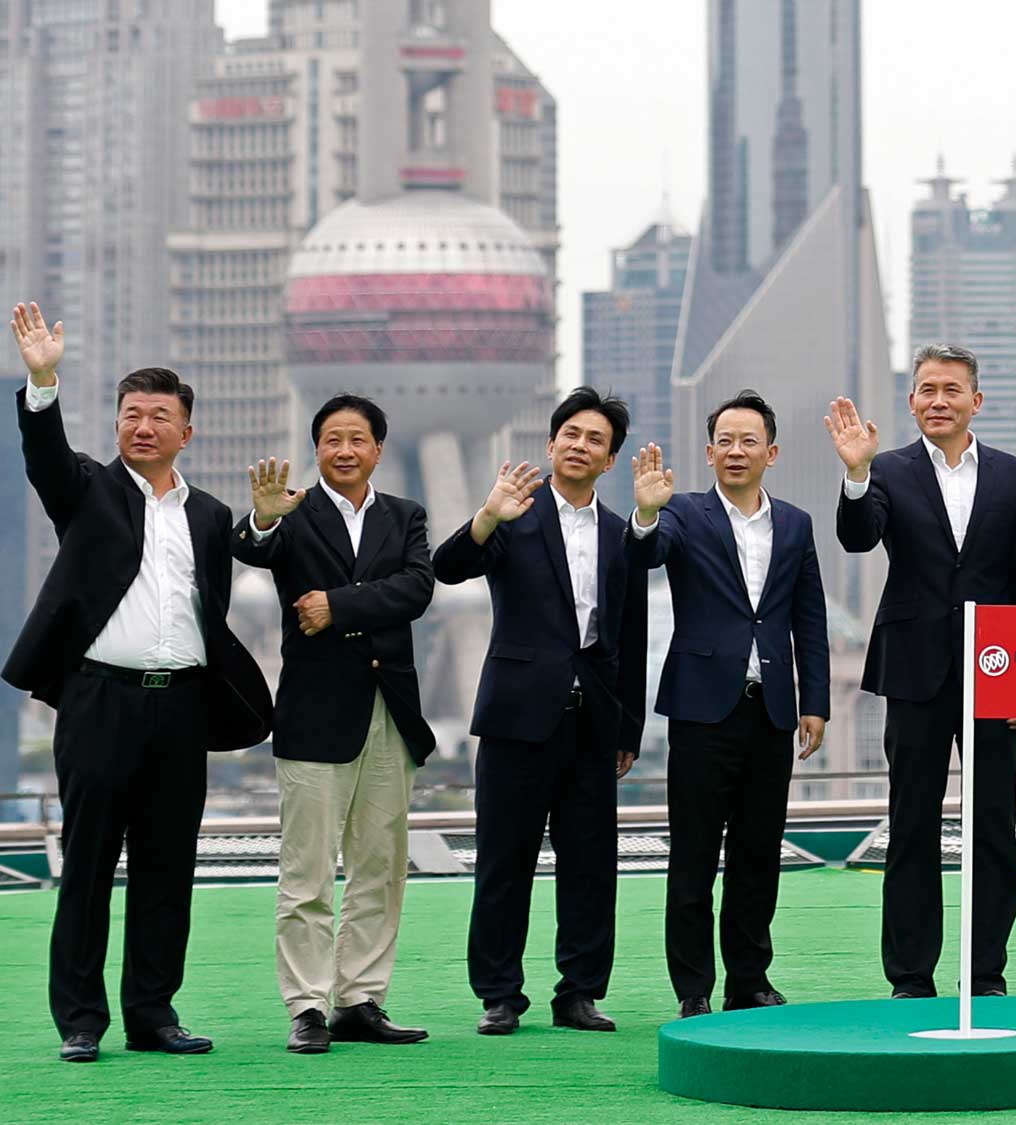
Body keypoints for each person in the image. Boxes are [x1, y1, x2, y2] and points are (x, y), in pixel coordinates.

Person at [6, 302, 272, 1063]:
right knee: (87, 863)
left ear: (188, 431)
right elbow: (44, 455)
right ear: (118, 424)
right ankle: (81, 1019)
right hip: (99, 700)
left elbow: (239, 575)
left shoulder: (212, 515)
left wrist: (264, 525)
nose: (143, 426)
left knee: (166, 866)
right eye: (131, 414)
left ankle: (152, 1013)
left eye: (160, 416)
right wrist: (44, 379)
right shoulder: (88, 489)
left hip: (182, 706)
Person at [825, 344, 1016, 999]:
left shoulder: (1014, 475)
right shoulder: (886, 470)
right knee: (912, 823)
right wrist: (856, 474)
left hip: (996, 670)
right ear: (912, 399)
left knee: (993, 827)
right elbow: (857, 536)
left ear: (976, 400)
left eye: (952, 390)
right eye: (926, 390)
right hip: (914, 667)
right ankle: (910, 974)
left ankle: (985, 972)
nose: (938, 401)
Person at [433, 387, 649, 1036]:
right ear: (551, 444)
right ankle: (499, 993)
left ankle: (579, 991)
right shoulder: (513, 517)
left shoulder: (621, 533)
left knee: (591, 863)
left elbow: (630, 634)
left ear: (610, 460)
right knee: (505, 858)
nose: (581, 445)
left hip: (592, 721)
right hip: (516, 716)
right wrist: (487, 516)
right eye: (571, 434)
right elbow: (448, 567)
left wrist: (628, 725)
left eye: (595, 439)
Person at [233, 394, 437, 1053]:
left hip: (389, 711)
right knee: (308, 870)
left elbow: (417, 589)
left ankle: (360, 998)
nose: (344, 449)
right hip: (316, 715)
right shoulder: (294, 512)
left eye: (357, 438)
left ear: (378, 449)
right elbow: (253, 547)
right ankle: (307, 1006)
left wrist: (337, 605)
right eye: (331, 438)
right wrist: (264, 521)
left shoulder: (405, 516)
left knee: (381, 867)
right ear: (316, 447)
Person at [629, 390, 830, 1019]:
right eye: (725, 441)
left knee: (757, 853)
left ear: (771, 452)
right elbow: (643, 559)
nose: (736, 451)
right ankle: (693, 988)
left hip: (770, 709)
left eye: (749, 441)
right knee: (692, 853)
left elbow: (810, 618)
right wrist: (644, 516)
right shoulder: (682, 513)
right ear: (708, 451)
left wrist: (814, 702)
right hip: (700, 709)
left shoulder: (795, 523)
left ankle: (750, 979)